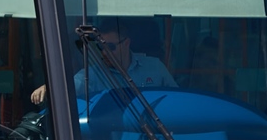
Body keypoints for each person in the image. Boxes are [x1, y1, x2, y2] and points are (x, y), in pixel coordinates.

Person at [30, 19, 177, 104]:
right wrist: (49, 87)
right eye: (101, 47)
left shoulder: (155, 67)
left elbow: (177, 100)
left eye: (111, 47)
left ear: (126, 43)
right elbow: (70, 85)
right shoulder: (93, 75)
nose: (105, 52)